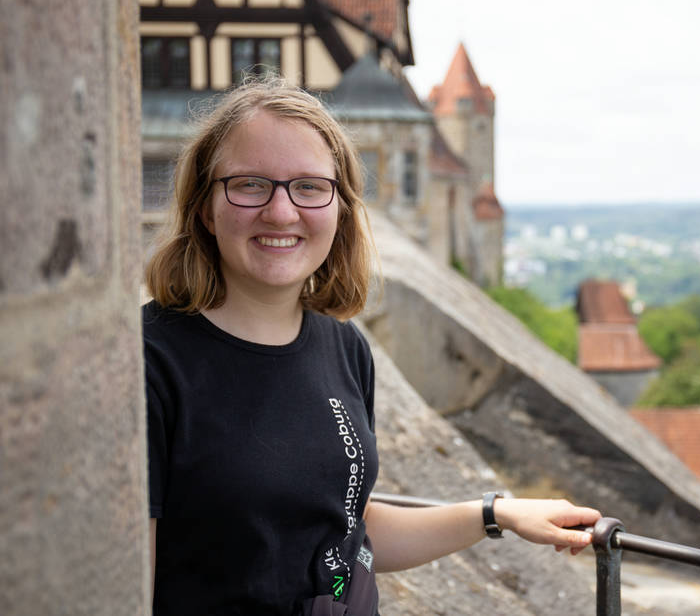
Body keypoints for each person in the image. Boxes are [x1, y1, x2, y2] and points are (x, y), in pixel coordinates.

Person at [142, 77, 601, 615]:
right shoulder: (150, 365)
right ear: (204, 206)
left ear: (339, 210)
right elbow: (127, 578)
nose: (282, 212)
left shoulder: (344, 348)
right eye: (249, 184)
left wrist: (495, 514)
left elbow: (344, 524)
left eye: (310, 187)